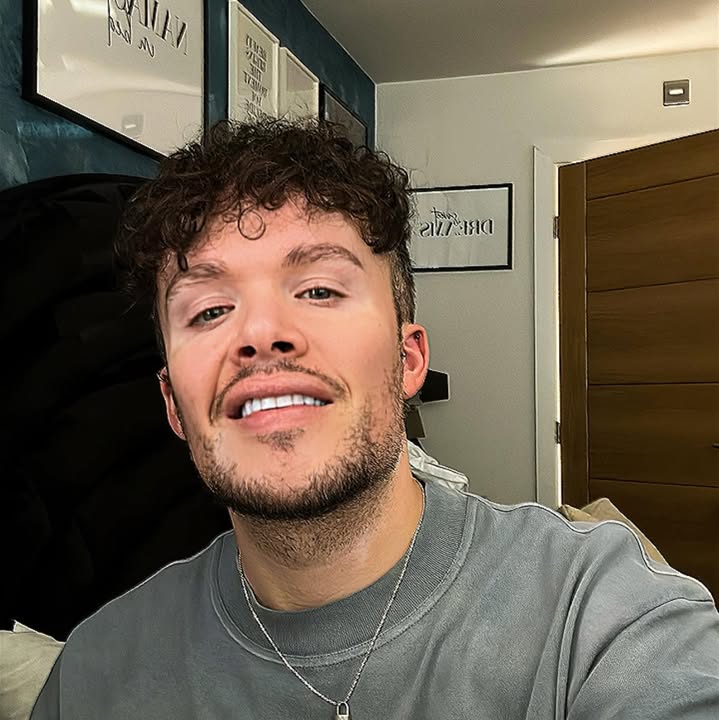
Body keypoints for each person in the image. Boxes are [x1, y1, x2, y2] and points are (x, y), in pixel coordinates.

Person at [31, 119, 719, 719]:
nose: (261, 333)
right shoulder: (94, 673)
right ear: (173, 404)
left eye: (318, 289)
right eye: (209, 310)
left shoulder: (600, 617)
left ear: (407, 360)